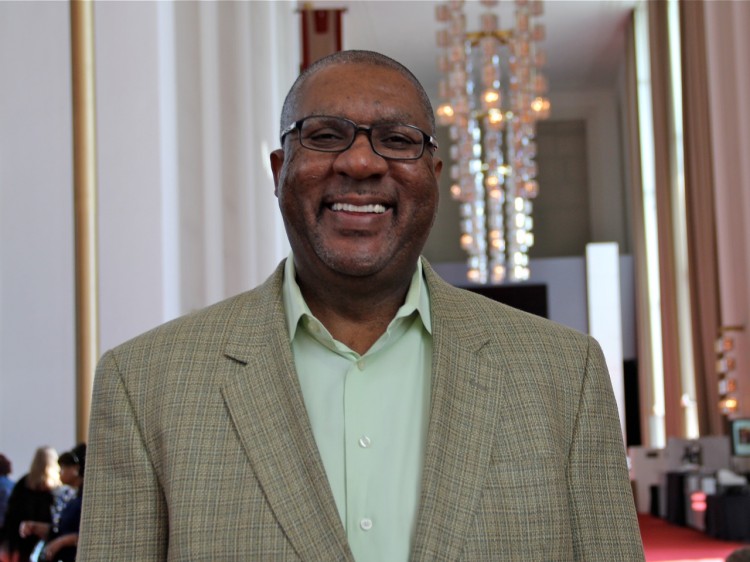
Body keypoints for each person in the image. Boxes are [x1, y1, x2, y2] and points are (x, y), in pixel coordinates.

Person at [78, 50, 644, 560]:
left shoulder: (564, 375)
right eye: (326, 135)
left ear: (434, 178)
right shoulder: (144, 383)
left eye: (397, 140)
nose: (361, 163)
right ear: (278, 171)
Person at [19, 444, 85, 562]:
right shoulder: (70, 496)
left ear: (76, 469)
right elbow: (61, 529)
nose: (60, 472)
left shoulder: (83, 499)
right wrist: (36, 527)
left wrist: (61, 542)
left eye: (63, 467)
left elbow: (84, 533)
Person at [2, 447, 60, 562]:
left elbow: (11, 515)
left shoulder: (23, 483)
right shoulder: (58, 488)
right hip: (49, 542)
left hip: (23, 539)